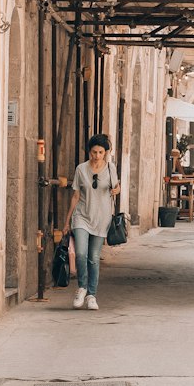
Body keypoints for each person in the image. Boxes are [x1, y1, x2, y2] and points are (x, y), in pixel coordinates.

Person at [64, 133, 120, 311]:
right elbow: (75, 196)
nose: (97, 156)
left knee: (94, 258)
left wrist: (116, 191)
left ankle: (92, 296)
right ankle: (81, 288)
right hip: (82, 216)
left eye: (100, 152)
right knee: (81, 254)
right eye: (94, 152)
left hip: (101, 217)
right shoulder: (81, 169)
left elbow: (117, 187)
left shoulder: (111, 169)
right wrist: (67, 221)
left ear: (106, 153)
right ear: (89, 152)